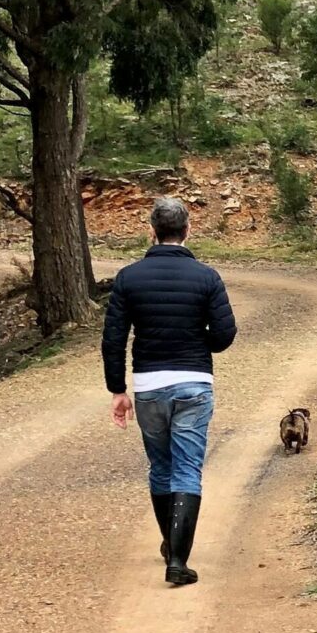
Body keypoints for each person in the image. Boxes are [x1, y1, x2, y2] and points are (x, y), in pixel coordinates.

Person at [103, 196, 237, 587]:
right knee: (187, 468)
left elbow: (113, 339)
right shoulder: (207, 277)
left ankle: (169, 540)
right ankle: (178, 558)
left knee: (161, 466)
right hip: (194, 382)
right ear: (188, 230)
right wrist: (199, 344)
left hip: (148, 386)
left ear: (152, 230)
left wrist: (117, 389)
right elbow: (226, 333)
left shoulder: (129, 277)